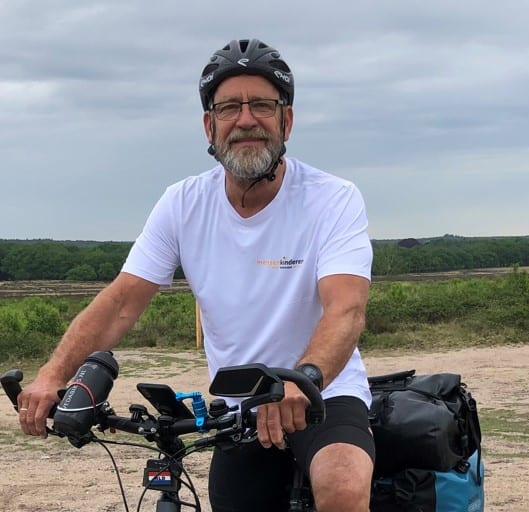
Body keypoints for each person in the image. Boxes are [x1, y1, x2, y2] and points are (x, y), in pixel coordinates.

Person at [18, 38, 375, 512]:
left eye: (261, 105)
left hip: (323, 391)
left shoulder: (332, 198)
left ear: (286, 120)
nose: (245, 120)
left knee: (342, 485)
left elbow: (345, 309)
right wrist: (52, 375)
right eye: (229, 108)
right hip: (239, 407)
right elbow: (122, 301)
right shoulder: (183, 203)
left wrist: (303, 380)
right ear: (210, 125)